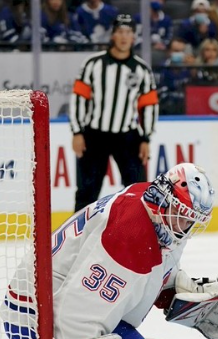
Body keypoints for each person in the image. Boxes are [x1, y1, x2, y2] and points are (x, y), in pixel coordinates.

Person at [0, 163, 218, 339]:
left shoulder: (157, 210)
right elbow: (74, 316)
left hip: (48, 300)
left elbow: (149, 269)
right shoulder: (129, 234)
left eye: (192, 221)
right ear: (166, 200)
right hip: (33, 322)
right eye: (183, 216)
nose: (185, 227)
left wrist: (174, 288)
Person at [68, 14, 158, 212]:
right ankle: (78, 238)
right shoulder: (93, 64)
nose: (124, 37)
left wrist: (145, 138)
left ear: (133, 36)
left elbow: (149, 106)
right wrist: (77, 132)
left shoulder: (142, 69)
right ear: (113, 35)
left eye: (128, 32)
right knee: (86, 191)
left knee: (137, 190)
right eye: (120, 32)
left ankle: (136, 235)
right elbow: (78, 99)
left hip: (127, 137)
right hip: (94, 135)